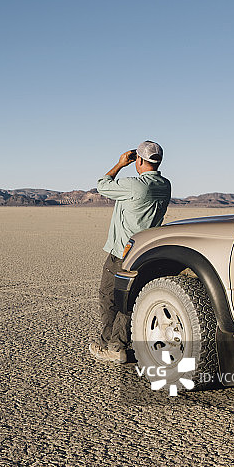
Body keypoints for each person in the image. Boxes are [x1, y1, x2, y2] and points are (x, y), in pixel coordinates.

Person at [90, 141, 171, 364]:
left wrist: (119, 164)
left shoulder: (134, 186)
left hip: (122, 252)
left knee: (109, 297)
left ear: (140, 160)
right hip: (145, 252)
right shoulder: (165, 185)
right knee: (130, 298)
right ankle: (122, 343)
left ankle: (111, 345)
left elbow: (102, 185)